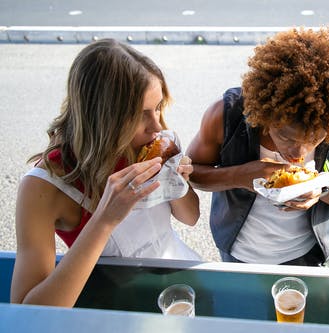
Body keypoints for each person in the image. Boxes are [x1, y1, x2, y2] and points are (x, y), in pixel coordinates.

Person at [11, 38, 200, 307]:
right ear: (103, 118)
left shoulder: (146, 145)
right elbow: (26, 312)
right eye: (141, 114)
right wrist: (104, 220)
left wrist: (177, 182)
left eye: (158, 107)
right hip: (117, 306)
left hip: (181, 285)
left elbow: (190, 217)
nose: (157, 125)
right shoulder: (43, 186)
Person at [186, 27, 329, 267]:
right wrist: (240, 176)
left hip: (309, 256)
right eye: (286, 136)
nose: (299, 153)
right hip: (239, 254)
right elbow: (191, 173)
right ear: (264, 116)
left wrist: (322, 189)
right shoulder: (225, 114)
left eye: (314, 139)